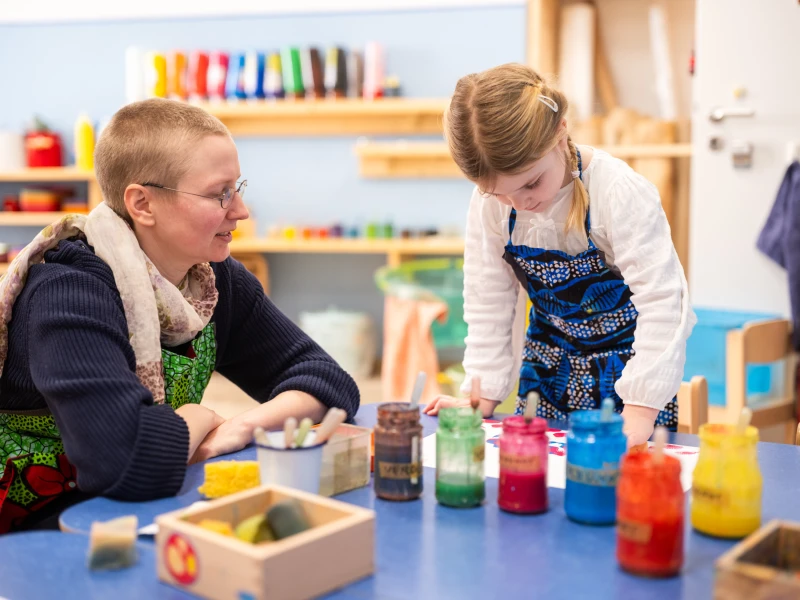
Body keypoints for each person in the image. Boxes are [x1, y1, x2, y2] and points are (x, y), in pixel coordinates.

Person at [0, 98, 359, 532]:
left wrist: (242, 426)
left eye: (237, 188)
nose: (240, 211)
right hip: (29, 532)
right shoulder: (68, 292)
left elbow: (328, 380)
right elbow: (126, 460)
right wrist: (199, 417)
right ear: (143, 204)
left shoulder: (213, 281)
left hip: (123, 515)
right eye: (218, 194)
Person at [424, 63, 695, 448]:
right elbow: (488, 299)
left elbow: (665, 304)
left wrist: (639, 411)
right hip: (547, 373)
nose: (521, 202)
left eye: (531, 182)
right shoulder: (492, 207)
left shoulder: (617, 192)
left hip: (629, 381)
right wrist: (479, 395)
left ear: (560, 132)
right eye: (499, 193)